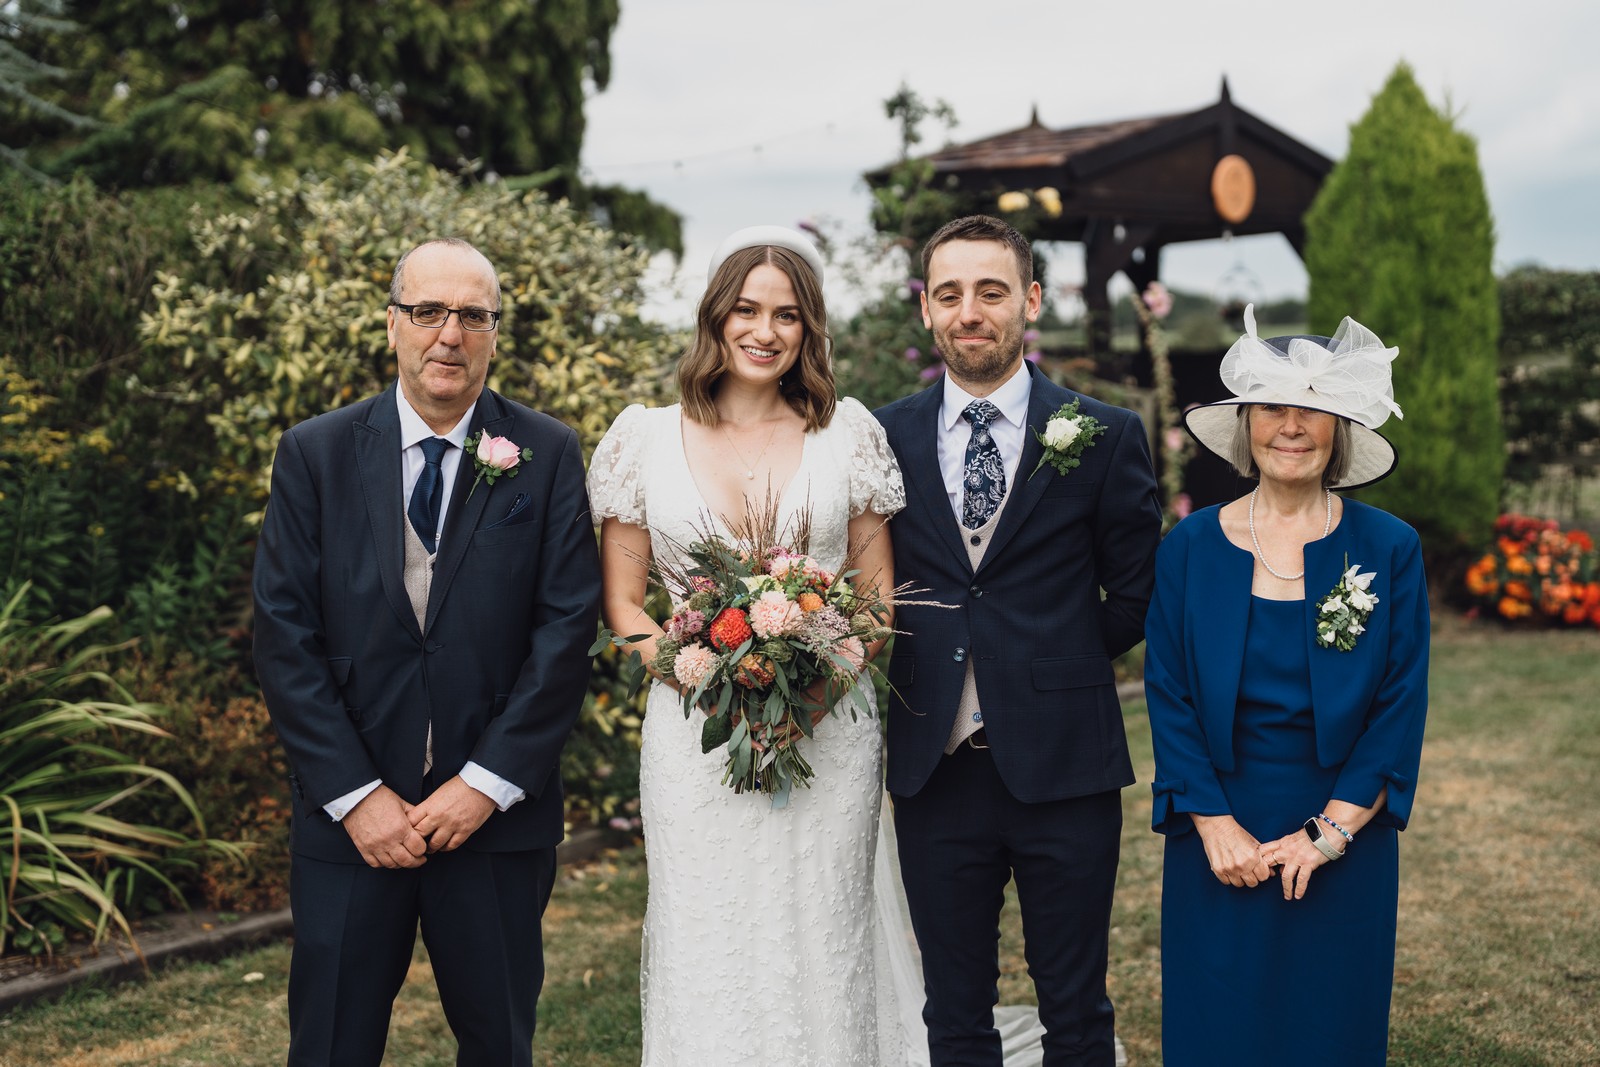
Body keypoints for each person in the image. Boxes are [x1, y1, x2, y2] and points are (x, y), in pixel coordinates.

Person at [252, 238, 601, 1066]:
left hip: (492, 825)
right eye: (429, 312)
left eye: (472, 316)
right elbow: (284, 633)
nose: (450, 333)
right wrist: (355, 793)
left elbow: (566, 632)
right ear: (393, 326)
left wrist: (482, 786)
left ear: (493, 332)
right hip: (350, 825)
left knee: (497, 1043)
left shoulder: (546, 453)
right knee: (332, 1042)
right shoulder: (316, 452)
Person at [588, 225, 910, 1065]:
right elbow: (624, 602)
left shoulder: (847, 434)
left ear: (810, 331)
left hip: (829, 729)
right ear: (715, 318)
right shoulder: (642, 439)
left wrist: (811, 693)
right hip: (696, 731)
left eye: (789, 315)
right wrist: (704, 675)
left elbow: (876, 599)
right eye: (747, 309)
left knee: (823, 922)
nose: (765, 331)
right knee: (709, 932)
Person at [875, 215, 1163, 1066]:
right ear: (928, 310)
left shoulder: (1105, 436)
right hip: (936, 768)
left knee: (1075, 1005)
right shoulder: (880, 436)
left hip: (1065, 764)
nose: (972, 311)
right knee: (954, 1012)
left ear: (1030, 301)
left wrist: (1050, 664)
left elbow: (1135, 594)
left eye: (992, 291)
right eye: (951, 293)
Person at [1143, 305, 1429, 1065]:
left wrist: (1331, 832)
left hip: (1343, 834)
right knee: (1219, 1026)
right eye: (1273, 406)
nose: (1292, 425)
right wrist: (1212, 824)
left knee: (1328, 1026)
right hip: (1220, 835)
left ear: (1340, 428)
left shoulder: (1391, 549)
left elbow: (1400, 703)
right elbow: (1167, 694)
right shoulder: (1189, 548)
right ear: (1246, 426)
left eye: (1314, 408)